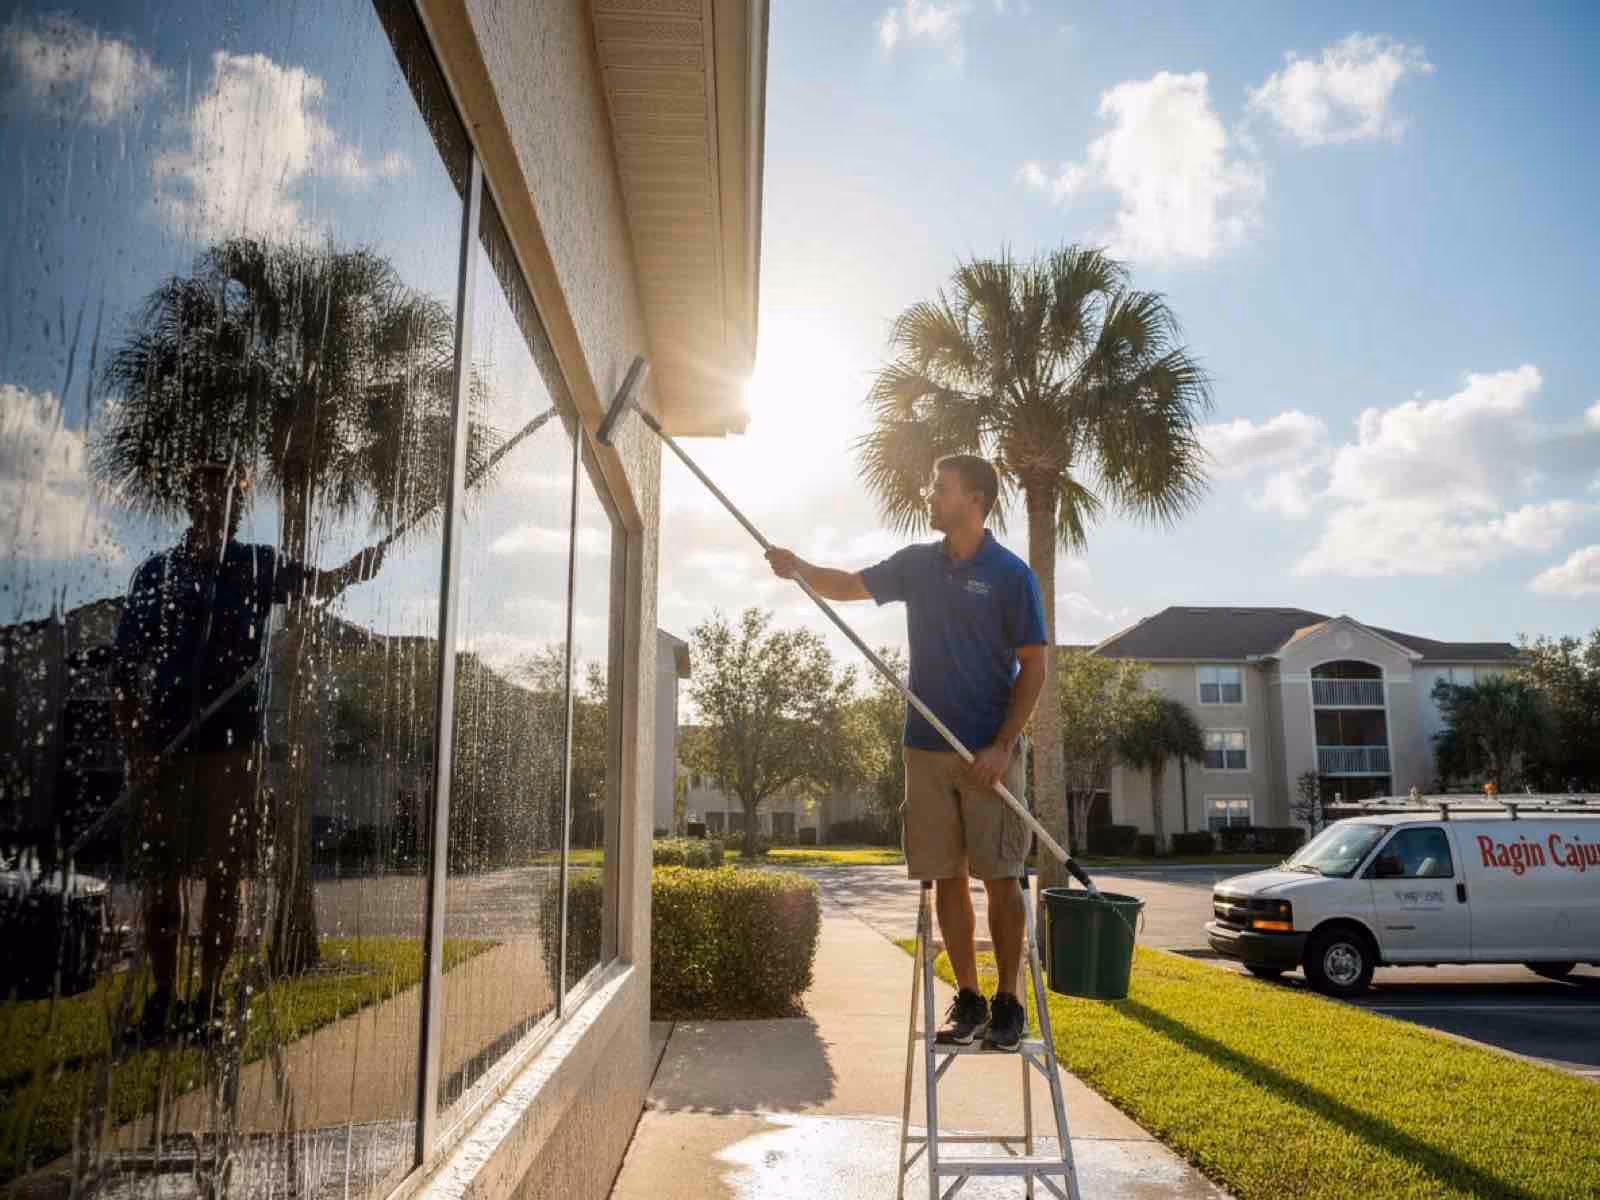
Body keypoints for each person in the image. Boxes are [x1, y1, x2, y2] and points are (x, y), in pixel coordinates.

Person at [766, 455, 1046, 1051]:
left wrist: (1002, 745)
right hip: (925, 746)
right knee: (945, 874)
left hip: (987, 752)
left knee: (1001, 877)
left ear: (973, 499)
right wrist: (798, 569)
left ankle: (1008, 1002)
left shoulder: (1010, 575)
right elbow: (850, 584)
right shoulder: (917, 564)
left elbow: (1035, 665)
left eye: (940, 488)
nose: (930, 494)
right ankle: (968, 998)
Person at [114, 461, 384, 1042]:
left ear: (239, 508)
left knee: (222, 875)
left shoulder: (257, 565)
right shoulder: (156, 574)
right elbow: (124, 670)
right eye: (210, 494)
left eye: (232, 500)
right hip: (163, 746)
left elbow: (322, 583)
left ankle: (208, 998)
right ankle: (163, 1000)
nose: (222, 507)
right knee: (160, 880)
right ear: (191, 499)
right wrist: (136, 746)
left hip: (233, 746)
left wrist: (355, 570)